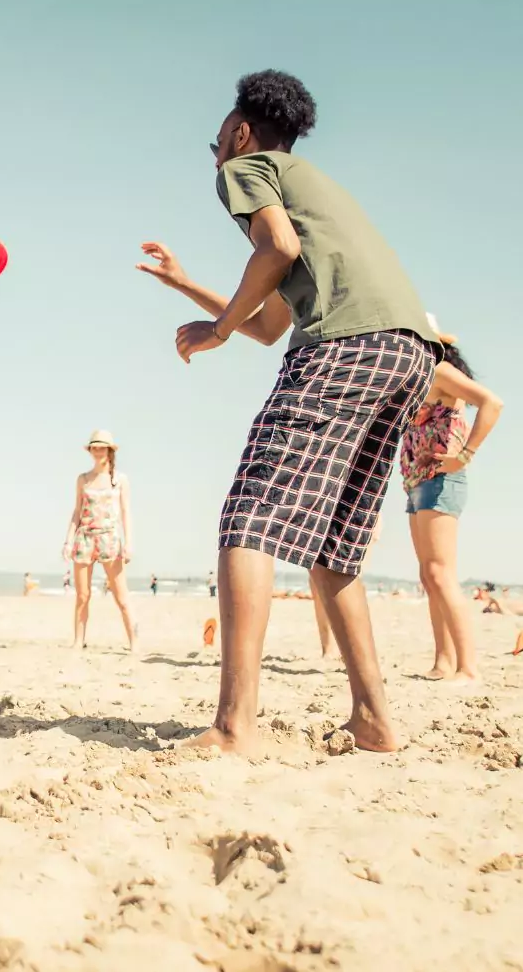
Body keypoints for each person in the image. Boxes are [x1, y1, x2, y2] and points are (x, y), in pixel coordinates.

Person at [138, 70, 440, 754]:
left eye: (215, 139)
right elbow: (273, 320)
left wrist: (214, 332)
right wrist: (188, 287)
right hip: (407, 351)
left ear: (240, 131)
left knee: (248, 518)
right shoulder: (314, 183)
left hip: (345, 346)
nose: (214, 152)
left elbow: (277, 248)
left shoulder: (247, 168)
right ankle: (374, 720)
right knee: (333, 549)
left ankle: (233, 726)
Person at [399, 315, 504, 681]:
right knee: (429, 576)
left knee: (440, 574)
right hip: (415, 482)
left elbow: (493, 403)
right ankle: (443, 661)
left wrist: (466, 454)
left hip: (442, 482)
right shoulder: (417, 380)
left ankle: (468, 667)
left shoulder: (440, 370)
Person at [61, 430, 138, 650]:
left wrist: (129, 543)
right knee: (82, 596)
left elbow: (125, 512)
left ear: (110, 450)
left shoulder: (120, 480)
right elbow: (77, 511)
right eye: (94, 447)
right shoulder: (83, 479)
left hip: (110, 539)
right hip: (84, 538)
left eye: (102, 447)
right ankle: (78, 641)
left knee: (121, 596)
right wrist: (67, 541)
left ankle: (134, 643)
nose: (98, 451)